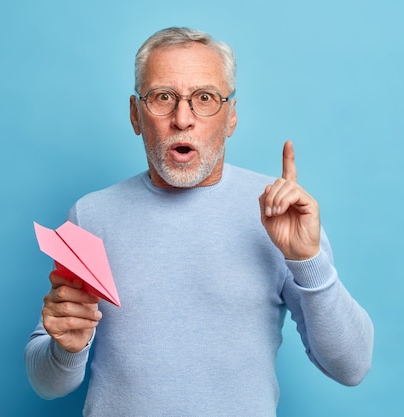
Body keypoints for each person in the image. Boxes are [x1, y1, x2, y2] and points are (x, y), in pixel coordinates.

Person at [25, 27, 374, 416]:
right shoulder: (91, 215)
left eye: (204, 98)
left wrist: (308, 259)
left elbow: (352, 366)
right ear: (135, 114)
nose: (183, 119)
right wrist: (66, 348)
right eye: (163, 97)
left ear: (232, 117)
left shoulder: (280, 213)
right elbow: (48, 384)